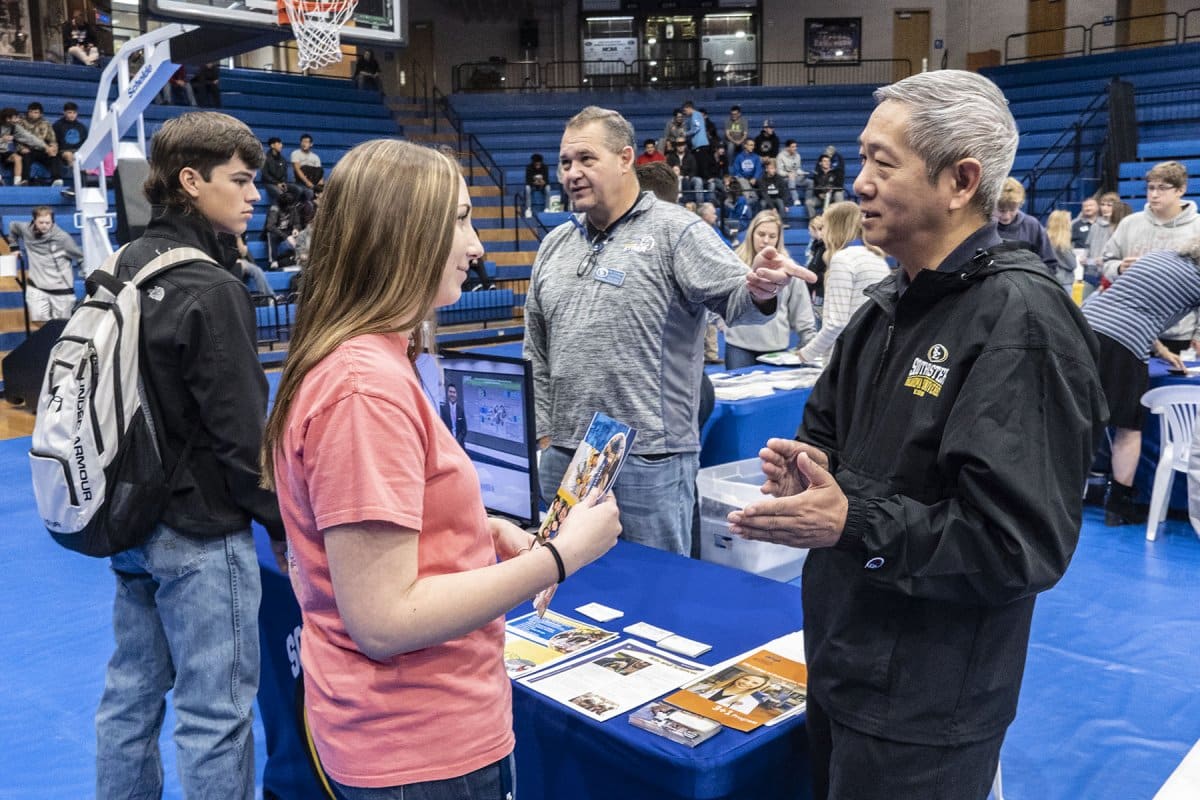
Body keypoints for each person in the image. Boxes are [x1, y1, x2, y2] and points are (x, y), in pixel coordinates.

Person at [728, 70, 1105, 800]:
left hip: (926, 705)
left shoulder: (1021, 321)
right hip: (845, 663)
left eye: (882, 162)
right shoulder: (885, 307)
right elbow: (827, 444)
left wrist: (851, 516)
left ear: (960, 181)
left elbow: (1016, 544)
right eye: (861, 160)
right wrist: (803, 473)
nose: (859, 183)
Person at [260, 138, 622, 798]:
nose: (478, 244)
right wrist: (557, 559)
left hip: (408, 732)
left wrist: (481, 534)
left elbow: (386, 529)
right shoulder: (363, 390)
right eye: (459, 220)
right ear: (404, 233)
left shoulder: (367, 364)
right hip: (417, 746)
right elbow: (384, 619)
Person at [95, 111, 284, 800]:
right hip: (201, 532)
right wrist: (282, 524)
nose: (255, 195)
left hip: (127, 519)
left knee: (128, 700)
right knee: (215, 716)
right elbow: (242, 438)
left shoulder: (121, 265)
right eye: (239, 180)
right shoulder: (210, 287)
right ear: (190, 180)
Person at [524, 105, 813, 556]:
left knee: (655, 587)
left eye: (586, 159)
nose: (572, 173)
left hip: (648, 458)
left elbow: (740, 304)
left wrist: (760, 290)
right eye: (565, 163)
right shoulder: (555, 246)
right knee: (568, 586)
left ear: (625, 159)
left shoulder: (676, 232)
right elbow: (535, 350)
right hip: (566, 455)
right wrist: (544, 437)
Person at [1082, 238, 1200, 526]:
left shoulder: (1159, 257)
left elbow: (1133, 305)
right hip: (1122, 344)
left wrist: (1161, 351)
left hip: (1080, 328)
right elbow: (1131, 319)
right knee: (1128, 427)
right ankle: (1118, 506)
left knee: (1075, 417)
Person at [1101, 161, 1200, 352]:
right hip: (1131, 329)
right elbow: (1106, 263)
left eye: (1162, 188)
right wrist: (1119, 268)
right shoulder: (1130, 223)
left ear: (1181, 190)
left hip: (1178, 334)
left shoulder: (1197, 228)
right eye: (1151, 188)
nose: (1154, 194)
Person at [796, 201, 890, 365]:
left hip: (846, 359)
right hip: (871, 353)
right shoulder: (876, 258)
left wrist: (806, 354)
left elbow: (836, 323)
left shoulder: (843, 259)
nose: (822, 232)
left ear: (835, 227)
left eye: (824, 226)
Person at [724, 210, 816, 369]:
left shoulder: (789, 269)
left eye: (772, 236)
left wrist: (809, 346)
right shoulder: (734, 263)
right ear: (752, 233)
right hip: (738, 347)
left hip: (776, 349)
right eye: (761, 234)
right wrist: (719, 321)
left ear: (778, 239)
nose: (766, 241)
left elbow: (802, 311)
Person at [6, 206, 83, 325]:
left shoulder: (62, 238)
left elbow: (80, 257)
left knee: (61, 328)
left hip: (62, 291)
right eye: (41, 222)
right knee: (38, 321)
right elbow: (13, 227)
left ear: (53, 222)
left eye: (48, 222)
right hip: (37, 287)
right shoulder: (26, 229)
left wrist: (87, 275)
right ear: (34, 221)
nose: (44, 225)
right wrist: (14, 247)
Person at [994, 177, 1058, 274]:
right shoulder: (984, 226)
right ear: (993, 205)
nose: (1006, 216)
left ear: (1020, 205)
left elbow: (1049, 264)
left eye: (1012, 210)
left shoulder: (1032, 225)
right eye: (1001, 210)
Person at [1082, 191, 1127, 283]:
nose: (1105, 208)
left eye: (1109, 205)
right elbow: (1088, 246)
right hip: (1091, 273)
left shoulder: (1121, 226)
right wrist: (1085, 258)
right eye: (1102, 205)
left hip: (1110, 274)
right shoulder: (1095, 226)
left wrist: (1103, 260)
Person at [15, 102, 60, 185]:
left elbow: (52, 139)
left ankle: (56, 179)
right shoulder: (21, 123)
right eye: (31, 112)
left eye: (35, 112)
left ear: (41, 114)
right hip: (27, 149)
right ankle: (25, 180)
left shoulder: (46, 123)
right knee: (26, 155)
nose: (32, 114)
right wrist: (21, 148)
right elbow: (17, 138)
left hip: (41, 150)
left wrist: (53, 147)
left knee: (54, 155)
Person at [700, 672, 769, 713]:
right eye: (745, 679)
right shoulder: (709, 687)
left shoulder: (750, 702)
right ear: (739, 677)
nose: (746, 683)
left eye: (755, 683)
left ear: (758, 687)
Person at [52, 102, 87, 176]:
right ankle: (79, 175)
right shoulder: (57, 125)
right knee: (69, 155)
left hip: (78, 151)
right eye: (69, 112)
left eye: (74, 113)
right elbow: (53, 140)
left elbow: (85, 142)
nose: (72, 115)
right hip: (63, 151)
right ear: (64, 113)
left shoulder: (82, 127)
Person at [1046, 208, 1078, 290]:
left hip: (1048, 280)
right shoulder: (1063, 244)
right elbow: (1072, 264)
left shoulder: (1044, 239)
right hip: (1064, 282)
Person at [806, 154, 843, 221]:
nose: (827, 163)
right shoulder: (817, 173)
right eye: (825, 161)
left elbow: (839, 186)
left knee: (839, 194)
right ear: (820, 163)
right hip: (821, 197)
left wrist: (832, 191)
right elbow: (815, 187)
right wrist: (819, 194)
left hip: (832, 196)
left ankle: (840, 221)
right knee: (808, 202)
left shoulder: (835, 172)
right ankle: (814, 222)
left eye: (828, 161)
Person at [776, 139, 807, 207]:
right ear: (787, 148)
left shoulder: (798, 156)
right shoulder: (780, 156)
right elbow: (779, 171)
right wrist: (788, 174)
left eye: (795, 146)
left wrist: (802, 173)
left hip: (796, 176)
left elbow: (798, 169)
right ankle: (795, 199)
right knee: (791, 177)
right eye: (793, 147)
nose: (795, 148)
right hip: (784, 178)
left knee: (810, 182)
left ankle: (807, 201)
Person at [524, 152, 550, 217]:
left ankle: (547, 208)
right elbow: (528, 181)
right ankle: (528, 209)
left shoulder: (545, 167)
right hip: (533, 186)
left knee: (548, 188)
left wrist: (543, 183)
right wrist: (534, 183)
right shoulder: (529, 168)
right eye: (536, 164)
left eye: (539, 164)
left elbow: (547, 180)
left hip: (542, 186)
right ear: (533, 163)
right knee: (527, 188)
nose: (538, 165)